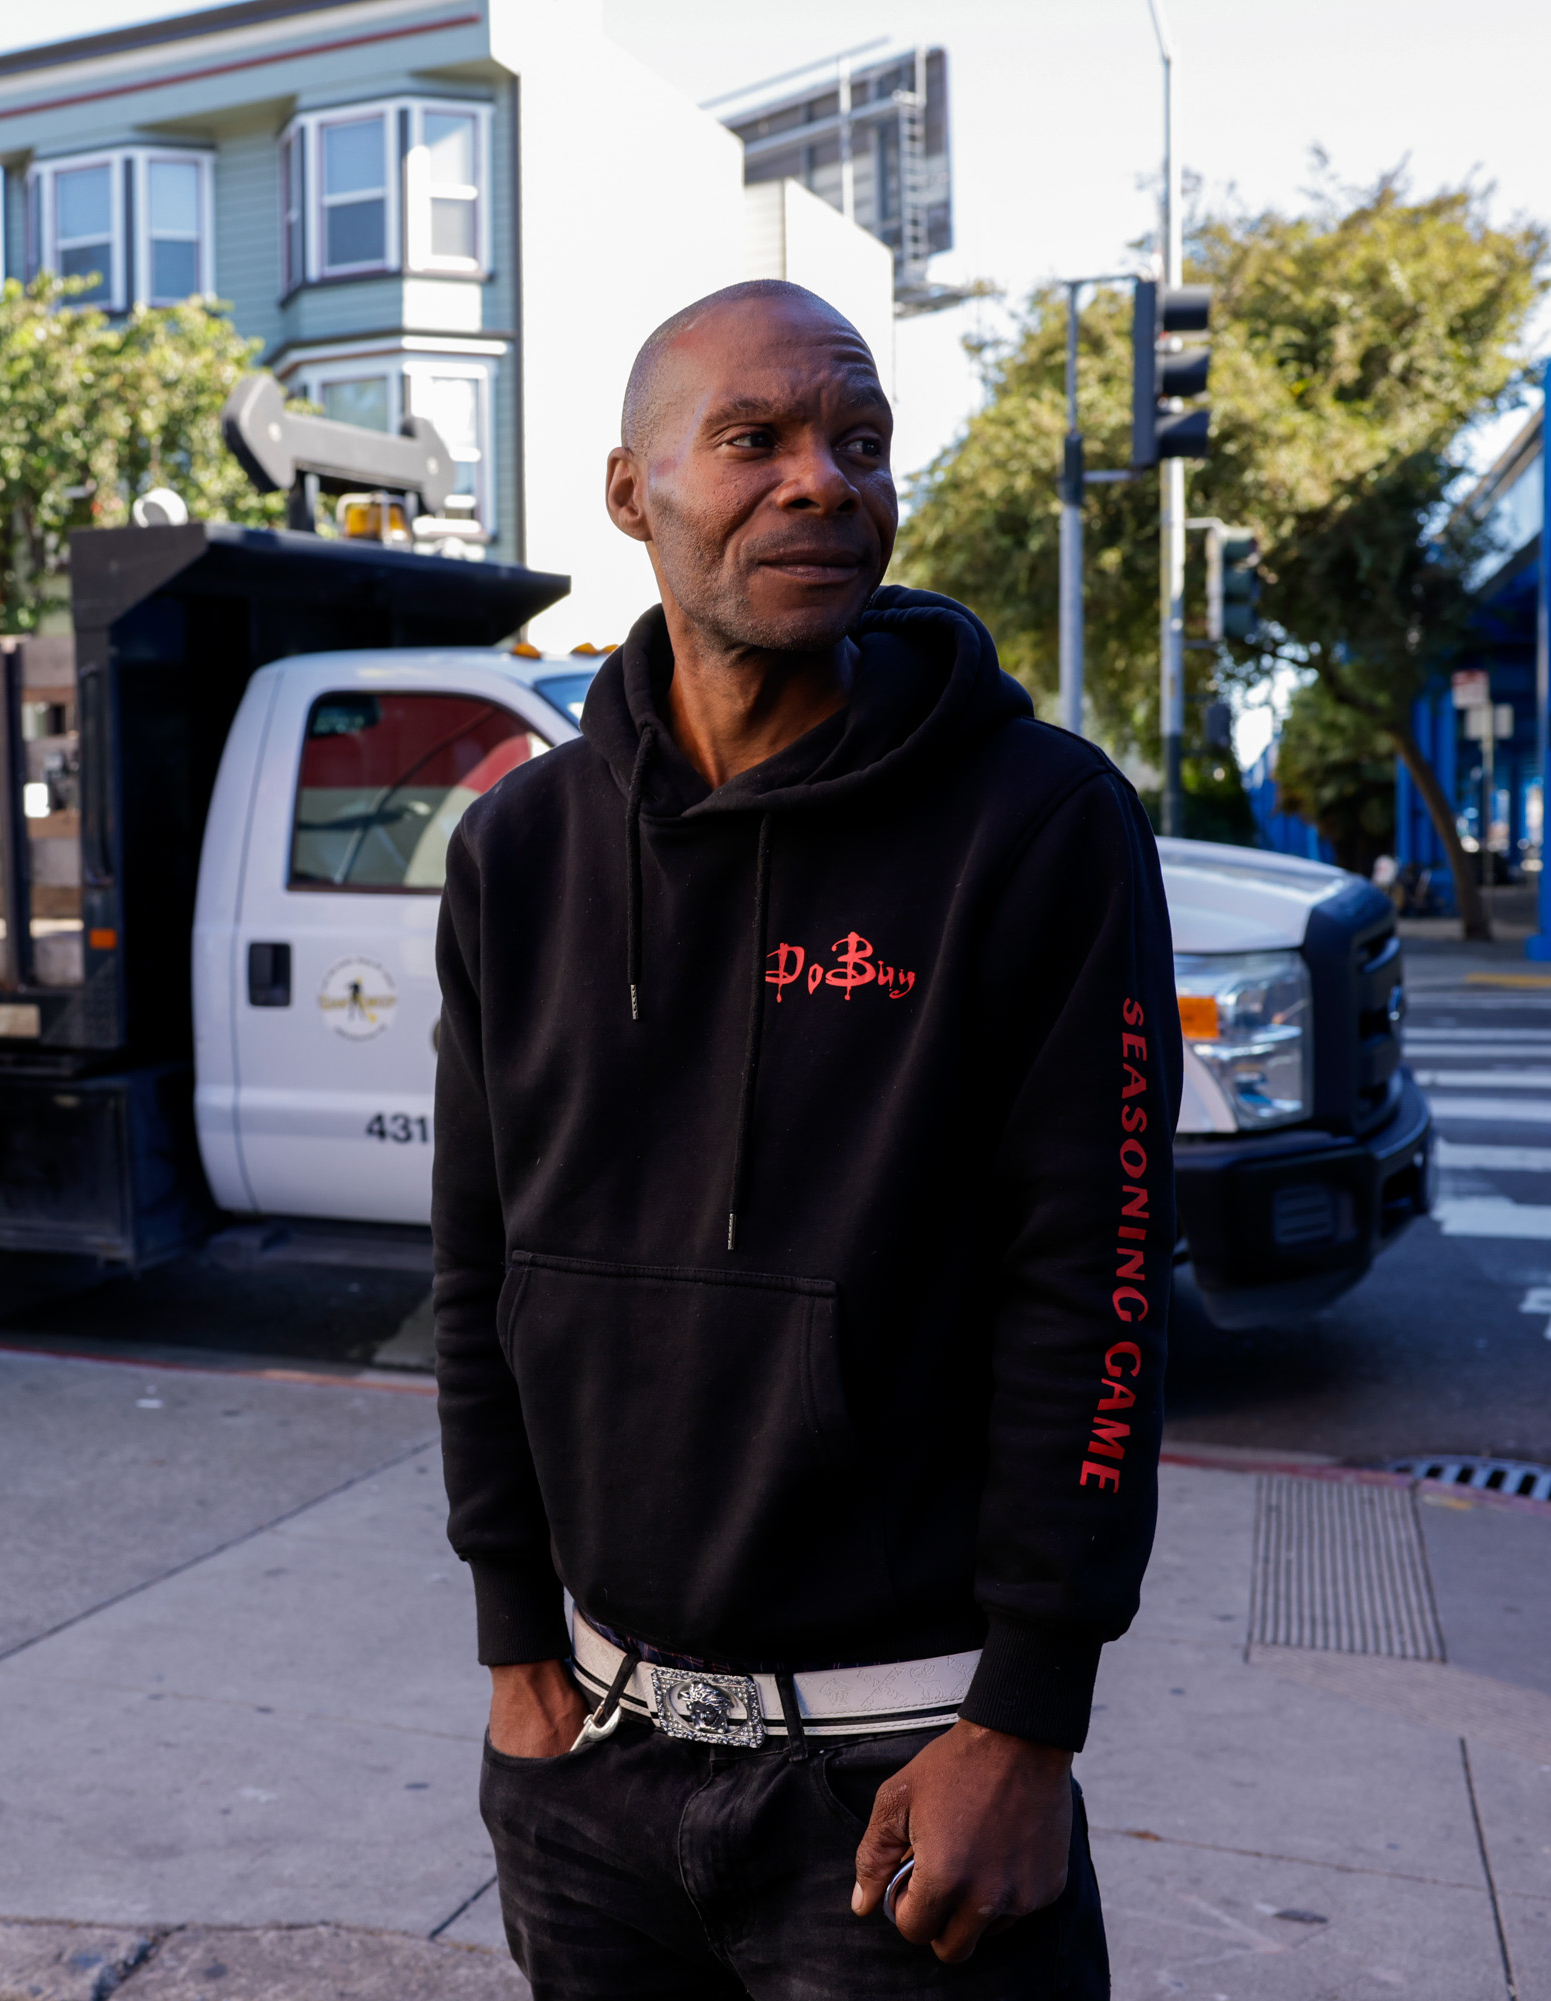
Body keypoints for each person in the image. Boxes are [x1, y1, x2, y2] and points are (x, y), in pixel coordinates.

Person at [432, 281, 1174, 1999]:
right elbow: (476, 1272)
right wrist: (514, 1654)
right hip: (587, 1766)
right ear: (635, 494)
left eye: (858, 440)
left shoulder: (1039, 822)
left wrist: (1028, 1721)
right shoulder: (523, 852)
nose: (821, 481)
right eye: (753, 440)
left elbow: (1103, 1281)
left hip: (909, 1777)